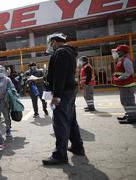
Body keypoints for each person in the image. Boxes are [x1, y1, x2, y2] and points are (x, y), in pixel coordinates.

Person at [43, 33, 85, 165]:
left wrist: (56, 96)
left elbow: (60, 77)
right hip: (69, 90)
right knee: (71, 119)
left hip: (62, 92)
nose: (50, 46)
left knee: (60, 122)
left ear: (54, 42)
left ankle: (60, 155)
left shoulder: (61, 52)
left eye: (50, 43)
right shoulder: (69, 52)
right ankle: (77, 147)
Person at [111, 45, 136, 124]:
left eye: (118, 51)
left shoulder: (126, 60)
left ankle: (132, 118)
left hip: (127, 85)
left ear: (122, 52)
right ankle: (129, 114)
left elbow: (129, 72)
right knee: (125, 101)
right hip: (124, 85)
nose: (117, 53)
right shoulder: (121, 60)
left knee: (128, 101)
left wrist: (119, 78)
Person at [0, 65, 16, 137]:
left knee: (6, 117)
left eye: (1, 71)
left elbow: (13, 88)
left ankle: (8, 129)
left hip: (5, 102)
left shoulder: (7, 79)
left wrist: (9, 91)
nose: (0, 72)